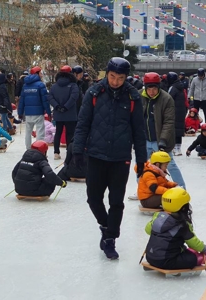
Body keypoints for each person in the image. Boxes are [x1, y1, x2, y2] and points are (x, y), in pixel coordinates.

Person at [73, 57, 147, 260]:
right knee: (93, 198)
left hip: (120, 157)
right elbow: (83, 124)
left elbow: (139, 131)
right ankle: (106, 226)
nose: (115, 81)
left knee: (116, 202)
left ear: (126, 77)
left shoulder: (133, 97)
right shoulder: (94, 92)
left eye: (120, 78)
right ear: (107, 73)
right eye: (112, 76)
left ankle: (110, 239)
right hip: (96, 154)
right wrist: (77, 150)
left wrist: (142, 160)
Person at [145, 188, 206, 270]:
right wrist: (203, 248)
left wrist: (154, 221)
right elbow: (192, 242)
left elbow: (147, 230)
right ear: (183, 207)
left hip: (150, 257)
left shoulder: (157, 218)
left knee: (181, 249)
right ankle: (194, 259)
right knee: (192, 258)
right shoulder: (182, 224)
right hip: (167, 261)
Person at [140, 72, 186, 189]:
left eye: (154, 88)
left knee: (169, 164)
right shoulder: (140, 96)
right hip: (145, 139)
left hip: (160, 139)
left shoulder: (166, 99)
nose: (151, 91)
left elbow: (169, 121)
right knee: (142, 165)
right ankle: (142, 189)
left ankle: (181, 187)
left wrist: (163, 140)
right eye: (149, 88)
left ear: (158, 87)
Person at [48, 65, 79, 160]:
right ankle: (69, 153)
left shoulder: (54, 86)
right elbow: (74, 97)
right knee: (70, 134)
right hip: (70, 114)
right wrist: (66, 107)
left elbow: (50, 97)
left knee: (58, 132)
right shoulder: (73, 85)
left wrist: (57, 106)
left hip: (58, 113)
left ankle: (56, 152)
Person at [18, 66, 50, 149]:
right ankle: (38, 149)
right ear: (37, 73)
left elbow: (22, 100)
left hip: (28, 113)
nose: (42, 75)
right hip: (38, 112)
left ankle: (28, 149)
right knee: (40, 131)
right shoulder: (40, 85)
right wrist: (49, 112)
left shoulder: (25, 85)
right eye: (40, 73)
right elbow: (45, 100)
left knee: (28, 132)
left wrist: (20, 113)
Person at [167, 72, 188, 156]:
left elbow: (168, 99)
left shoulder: (173, 88)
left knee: (173, 129)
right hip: (181, 110)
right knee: (179, 129)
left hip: (173, 111)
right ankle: (178, 148)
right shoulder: (181, 87)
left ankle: (173, 148)